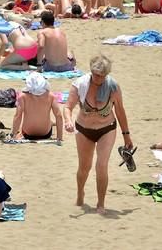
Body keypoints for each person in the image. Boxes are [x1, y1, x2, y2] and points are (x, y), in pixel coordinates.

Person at [64, 55, 133, 212]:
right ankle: (80, 192)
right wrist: (68, 121)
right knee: (84, 167)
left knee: (101, 165)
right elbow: (68, 107)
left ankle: (100, 203)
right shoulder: (80, 84)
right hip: (83, 129)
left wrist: (126, 135)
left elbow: (120, 111)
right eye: (96, 75)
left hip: (106, 128)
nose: (98, 79)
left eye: (102, 76)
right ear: (91, 71)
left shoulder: (112, 87)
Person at [12, 72, 63, 141]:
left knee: (24, 123)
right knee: (46, 118)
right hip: (45, 134)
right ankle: (51, 122)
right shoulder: (51, 96)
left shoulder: (23, 96)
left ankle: (51, 122)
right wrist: (59, 137)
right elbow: (58, 115)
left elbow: (18, 116)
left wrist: (14, 135)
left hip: (27, 134)